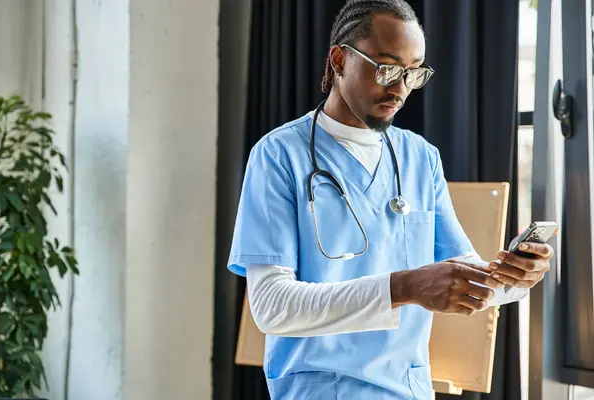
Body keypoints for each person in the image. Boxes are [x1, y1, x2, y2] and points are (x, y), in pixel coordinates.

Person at [227, 0, 553, 398]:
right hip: (320, 389)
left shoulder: (420, 157)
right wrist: (406, 286)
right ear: (340, 60)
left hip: (408, 388)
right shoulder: (279, 155)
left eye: (413, 73)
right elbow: (272, 307)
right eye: (386, 68)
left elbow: (462, 279)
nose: (400, 88)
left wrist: (514, 280)